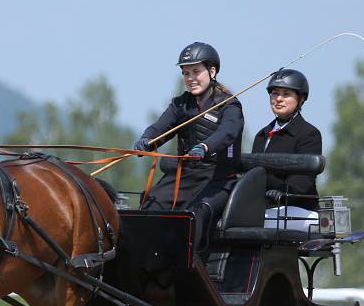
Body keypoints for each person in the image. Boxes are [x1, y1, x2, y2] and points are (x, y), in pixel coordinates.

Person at [134, 42, 244, 249]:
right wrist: (147, 140)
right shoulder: (179, 104)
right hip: (184, 176)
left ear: (212, 71)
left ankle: (189, 271)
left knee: (195, 214)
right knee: (148, 204)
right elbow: (160, 127)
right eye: (186, 73)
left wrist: (204, 147)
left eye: (196, 71)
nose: (191, 78)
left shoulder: (229, 104)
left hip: (218, 179)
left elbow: (228, 131)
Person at [252, 69, 322, 232]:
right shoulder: (262, 135)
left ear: (301, 99)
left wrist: (282, 192)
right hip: (267, 210)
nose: (279, 99)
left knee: (250, 223)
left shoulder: (309, 134)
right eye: (275, 93)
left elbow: (304, 181)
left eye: (286, 94)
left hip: (300, 209)